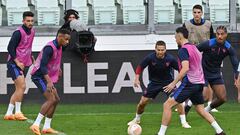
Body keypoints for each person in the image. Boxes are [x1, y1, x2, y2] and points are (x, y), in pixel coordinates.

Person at [157, 27, 225, 135]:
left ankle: (160, 133)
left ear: (179, 36)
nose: (175, 38)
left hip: (190, 83)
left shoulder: (183, 50)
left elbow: (185, 68)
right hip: (199, 84)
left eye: (175, 36)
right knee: (200, 109)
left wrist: (173, 84)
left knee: (167, 105)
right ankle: (220, 131)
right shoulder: (195, 48)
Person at [127, 41, 191, 128]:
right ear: (155, 49)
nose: (160, 52)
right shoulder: (150, 58)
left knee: (178, 101)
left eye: (162, 50)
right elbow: (140, 67)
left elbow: (180, 69)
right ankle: (137, 119)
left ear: (165, 50)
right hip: (154, 83)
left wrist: (184, 79)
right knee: (142, 102)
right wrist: (136, 78)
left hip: (168, 83)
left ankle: (184, 122)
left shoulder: (170, 59)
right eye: (158, 50)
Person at [29, 29, 71, 135]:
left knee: (56, 99)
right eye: (66, 39)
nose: (67, 42)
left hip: (46, 76)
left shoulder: (60, 46)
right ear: (59, 37)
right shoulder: (49, 48)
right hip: (39, 76)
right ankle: (35, 125)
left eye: (68, 40)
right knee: (51, 99)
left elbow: (54, 60)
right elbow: (43, 66)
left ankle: (47, 127)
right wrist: (49, 82)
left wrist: (58, 69)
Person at [183, 4, 218, 113]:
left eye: (199, 12)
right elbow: (182, 40)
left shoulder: (208, 24)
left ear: (202, 13)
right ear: (192, 13)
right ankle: (185, 103)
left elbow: (213, 41)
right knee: (192, 81)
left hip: (206, 57)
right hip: (192, 58)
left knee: (206, 84)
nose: (197, 14)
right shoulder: (187, 24)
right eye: (195, 12)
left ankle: (204, 104)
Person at [198, 25, 239, 113]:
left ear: (226, 35)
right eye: (218, 34)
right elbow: (194, 50)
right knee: (204, 96)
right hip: (203, 72)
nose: (220, 36)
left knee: (222, 98)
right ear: (215, 34)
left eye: (222, 34)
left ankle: (206, 110)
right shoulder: (208, 43)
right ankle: (188, 104)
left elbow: (235, 64)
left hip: (215, 74)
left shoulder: (228, 48)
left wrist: (236, 76)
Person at [4, 11, 35, 121]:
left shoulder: (32, 32)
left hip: (24, 63)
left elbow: (28, 46)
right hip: (14, 63)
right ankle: (17, 112)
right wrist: (17, 62)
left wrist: (32, 58)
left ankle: (8, 113)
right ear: (23, 21)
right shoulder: (18, 33)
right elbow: (10, 48)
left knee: (18, 89)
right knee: (22, 87)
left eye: (32, 21)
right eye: (28, 21)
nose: (30, 23)